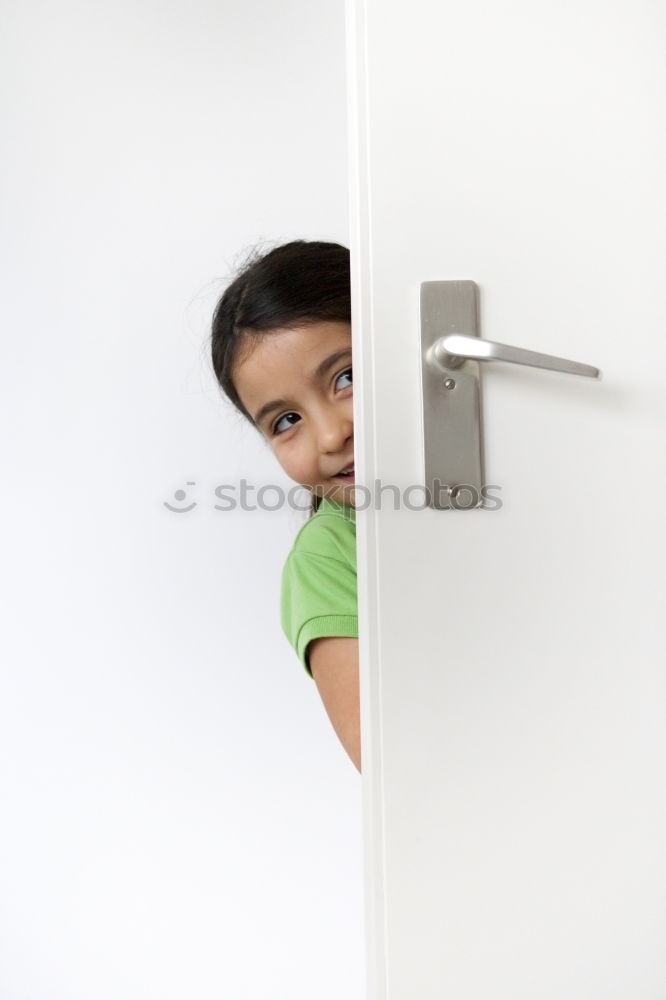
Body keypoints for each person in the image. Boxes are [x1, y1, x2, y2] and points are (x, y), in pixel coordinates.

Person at [210, 240, 362, 773]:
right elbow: (392, 764)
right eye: (285, 421)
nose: (330, 435)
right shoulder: (326, 559)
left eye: (347, 377)